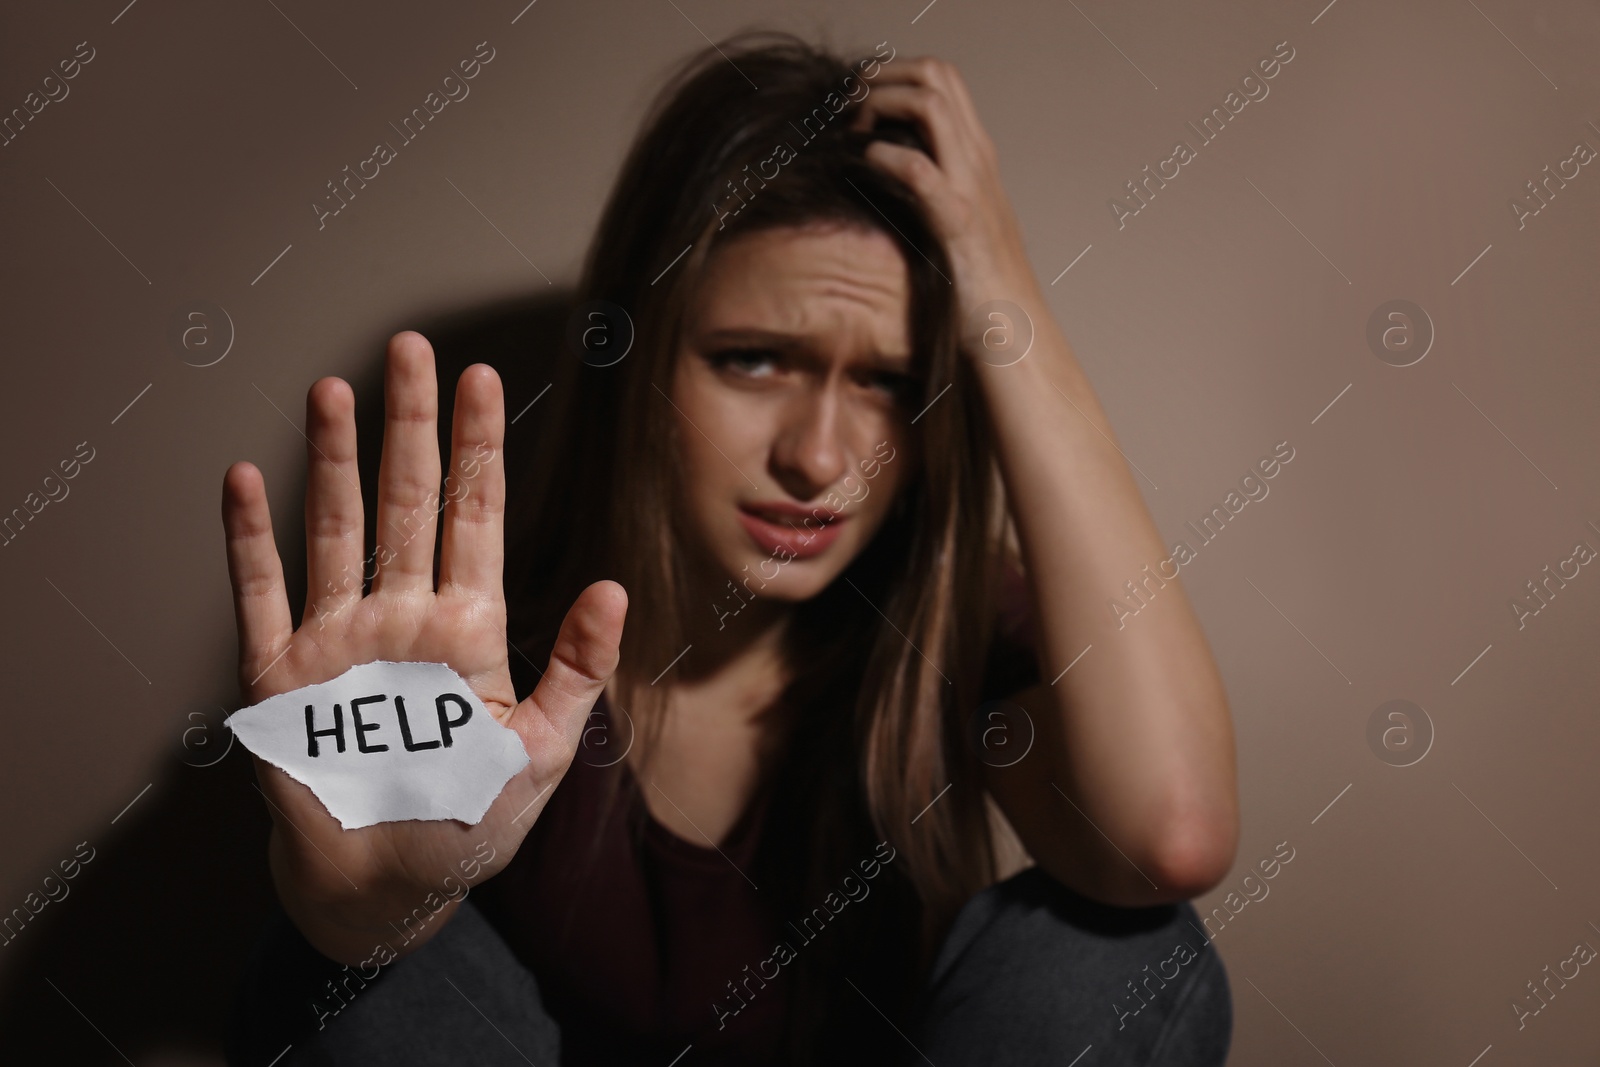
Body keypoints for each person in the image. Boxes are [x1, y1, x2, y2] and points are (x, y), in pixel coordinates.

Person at [222, 31, 1239, 1067]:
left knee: (1125, 951)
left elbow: (1173, 835)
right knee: (349, 965)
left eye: (887, 381)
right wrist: (365, 910)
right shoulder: (488, 645)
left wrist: (1001, 287)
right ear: (641, 357)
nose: (820, 457)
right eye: (752, 360)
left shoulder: (945, 620)